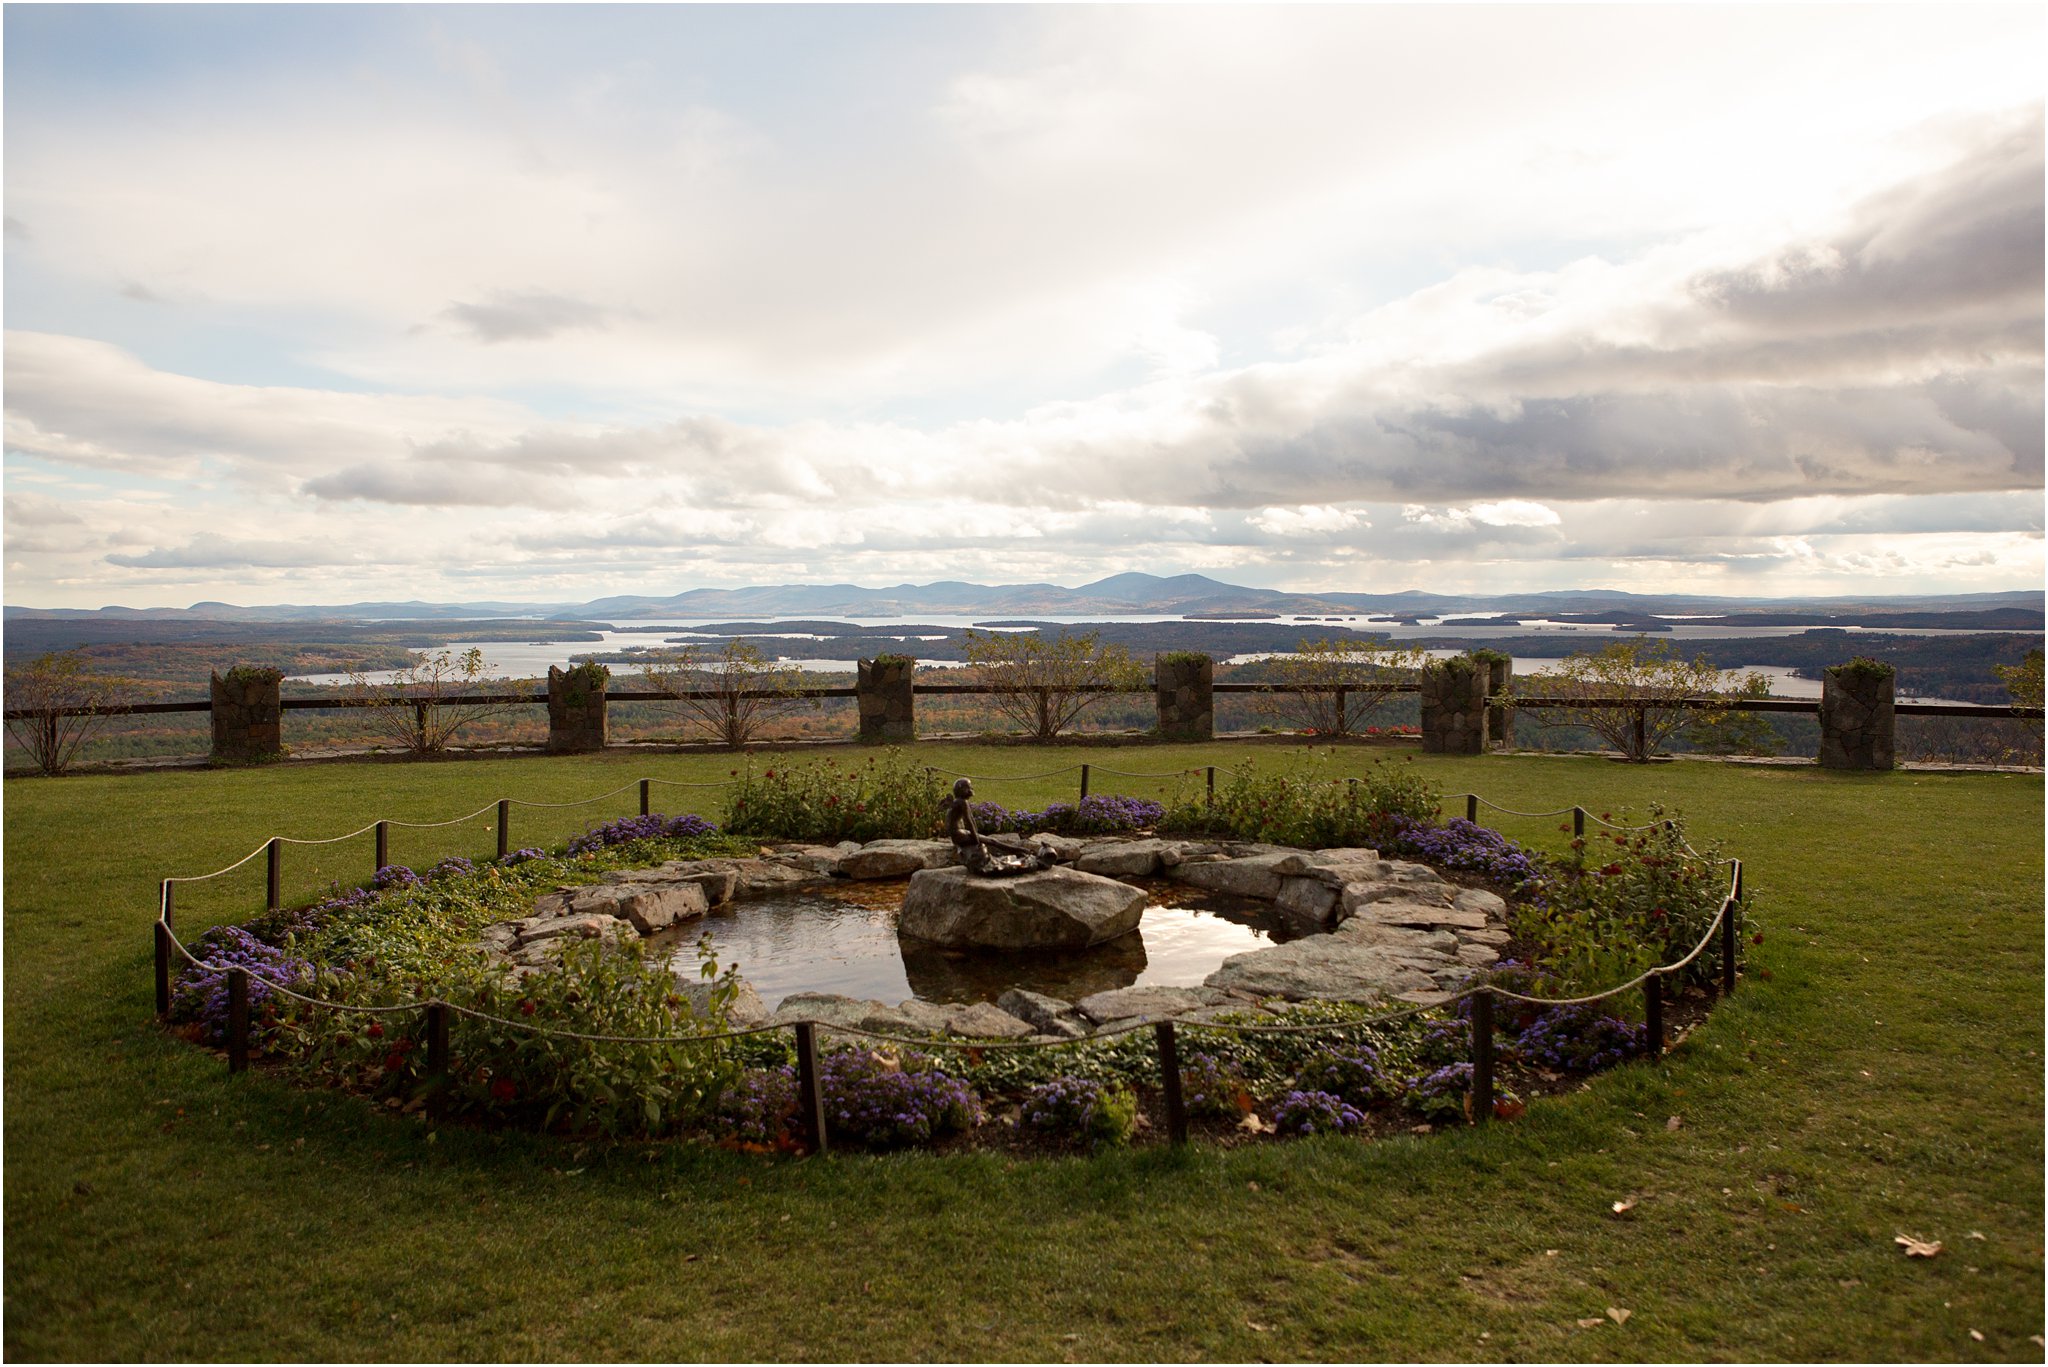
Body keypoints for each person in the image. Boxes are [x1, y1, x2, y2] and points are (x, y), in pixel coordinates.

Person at [941, 777, 1055, 875]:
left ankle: (1019, 851)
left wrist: (976, 835)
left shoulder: (959, 802)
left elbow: (971, 820)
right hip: (959, 834)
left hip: (957, 835)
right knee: (993, 841)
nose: (972, 789)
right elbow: (968, 822)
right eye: (969, 787)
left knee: (991, 841)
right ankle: (1020, 850)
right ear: (963, 790)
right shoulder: (962, 802)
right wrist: (976, 840)